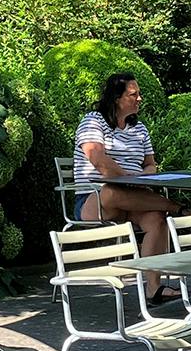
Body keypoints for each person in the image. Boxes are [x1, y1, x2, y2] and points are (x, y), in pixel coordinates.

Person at [73, 72, 178, 302]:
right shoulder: (93, 121)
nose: (139, 98)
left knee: (156, 219)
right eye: (134, 94)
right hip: (95, 200)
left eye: (139, 94)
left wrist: (141, 177)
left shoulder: (139, 129)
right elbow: (98, 159)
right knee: (111, 191)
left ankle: (153, 288)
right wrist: (131, 176)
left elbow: (151, 165)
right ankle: (177, 208)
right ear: (116, 98)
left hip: (134, 197)